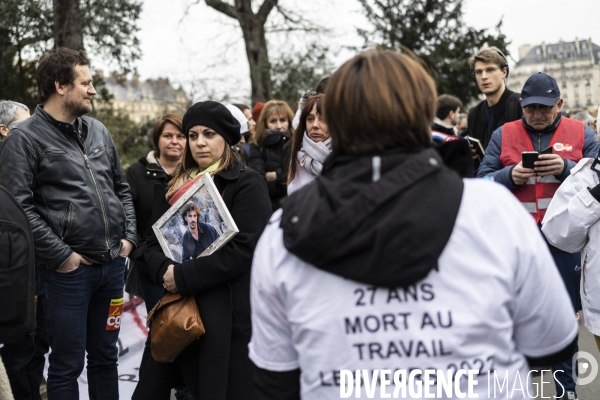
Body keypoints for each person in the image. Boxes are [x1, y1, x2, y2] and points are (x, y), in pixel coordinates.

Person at [249, 48, 579, 400]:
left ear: (338, 121)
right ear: (423, 115)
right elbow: (550, 345)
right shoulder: (492, 209)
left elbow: (276, 378)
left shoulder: (283, 229)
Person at [0, 47, 137, 400]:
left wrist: (129, 240)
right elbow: (17, 211)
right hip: (66, 277)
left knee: (106, 357)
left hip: (111, 268)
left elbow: (121, 188)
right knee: (66, 364)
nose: (93, 90)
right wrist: (63, 257)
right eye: (86, 83)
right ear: (61, 86)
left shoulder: (98, 131)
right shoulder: (24, 138)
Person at [133, 101, 272, 400]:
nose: (199, 142)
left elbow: (245, 249)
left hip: (226, 317)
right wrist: (165, 272)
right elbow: (148, 245)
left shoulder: (247, 183)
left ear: (226, 138)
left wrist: (183, 276)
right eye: (192, 135)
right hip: (177, 314)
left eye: (209, 134)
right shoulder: (174, 187)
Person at [477, 72, 599, 400]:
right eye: (531, 108)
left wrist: (566, 168)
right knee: (516, 319)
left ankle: (566, 390)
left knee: (565, 319)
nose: (538, 114)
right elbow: (480, 182)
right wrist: (508, 175)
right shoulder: (504, 134)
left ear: (560, 104)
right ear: (521, 106)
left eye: (545, 108)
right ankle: (521, 390)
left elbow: (598, 179)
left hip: (566, 246)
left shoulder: (582, 133)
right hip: (516, 246)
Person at [125, 113, 193, 400]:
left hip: (190, 266)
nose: (175, 141)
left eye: (180, 136)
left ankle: (184, 387)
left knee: (190, 328)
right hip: (152, 267)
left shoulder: (197, 171)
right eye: (168, 136)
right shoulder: (137, 173)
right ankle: (163, 391)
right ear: (158, 140)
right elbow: (128, 217)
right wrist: (141, 250)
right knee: (164, 329)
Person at [467, 47, 522, 150]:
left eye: (490, 70)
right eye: (479, 72)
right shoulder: (474, 114)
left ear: (504, 72)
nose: (484, 76)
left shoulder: (520, 104)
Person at [248, 99, 294, 210]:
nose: (279, 126)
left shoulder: (298, 144)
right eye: (273, 121)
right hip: (271, 210)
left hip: (295, 206)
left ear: (289, 121)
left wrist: (277, 175)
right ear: (265, 123)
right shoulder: (258, 145)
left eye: (282, 120)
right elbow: (260, 185)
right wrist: (285, 177)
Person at [287, 94, 331, 194]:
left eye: (323, 119)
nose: (315, 125)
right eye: (310, 119)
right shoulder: (299, 156)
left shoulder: (346, 157)